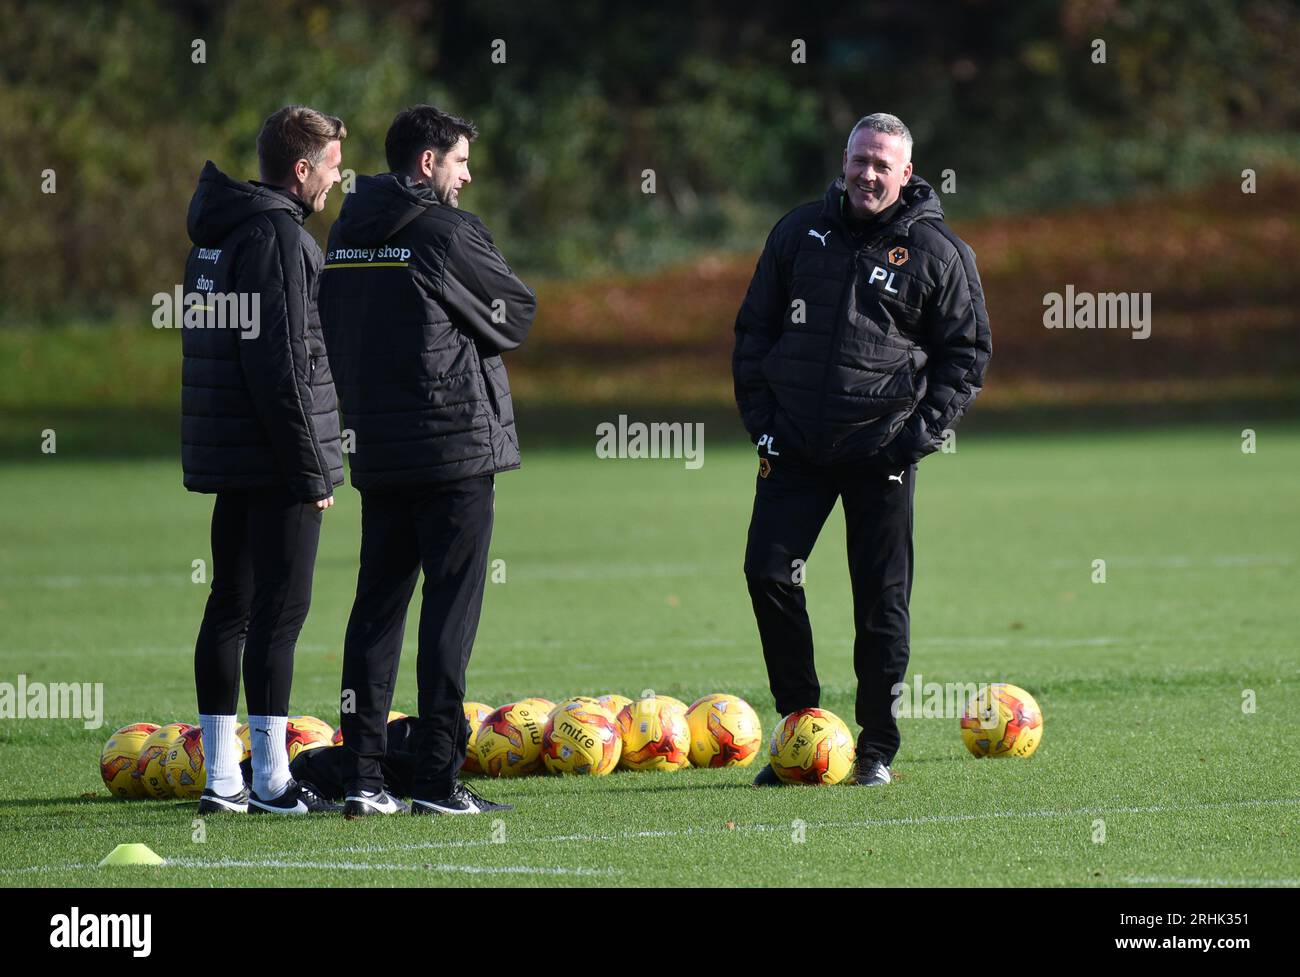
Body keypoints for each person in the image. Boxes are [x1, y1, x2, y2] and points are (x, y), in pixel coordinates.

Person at [733, 113, 991, 787]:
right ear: (843, 162)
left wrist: (914, 439)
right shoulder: (798, 232)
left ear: (907, 174)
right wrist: (762, 423)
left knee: (880, 601)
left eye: (882, 164)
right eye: (859, 160)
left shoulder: (938, 252)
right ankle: (802, 731)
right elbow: (753, 331)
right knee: (768, 572)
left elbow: (966, 355)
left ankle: (875, 747)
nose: (868, 174)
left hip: (882, 452)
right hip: (794, 448)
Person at [319, 105, 536, 817]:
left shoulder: (346, 231)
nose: (467, 174)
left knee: (375, 611)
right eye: (460, 161)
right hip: (452, 448)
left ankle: (362, 775)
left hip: (376, 449)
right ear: (426, 163)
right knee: (449, 612)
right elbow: (516, 315)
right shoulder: (447, 230)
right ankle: (438, 781)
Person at [182, 105, 347, 815]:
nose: (337, 183)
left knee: (230, 608)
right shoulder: (279, 237)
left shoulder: (217, 234)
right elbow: (280, 365)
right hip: (275, 457)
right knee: (279, 615)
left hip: (231, 454)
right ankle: (273, 781)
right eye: (334, 167)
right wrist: (311, 468)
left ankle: (223, 780)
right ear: (302, 168)